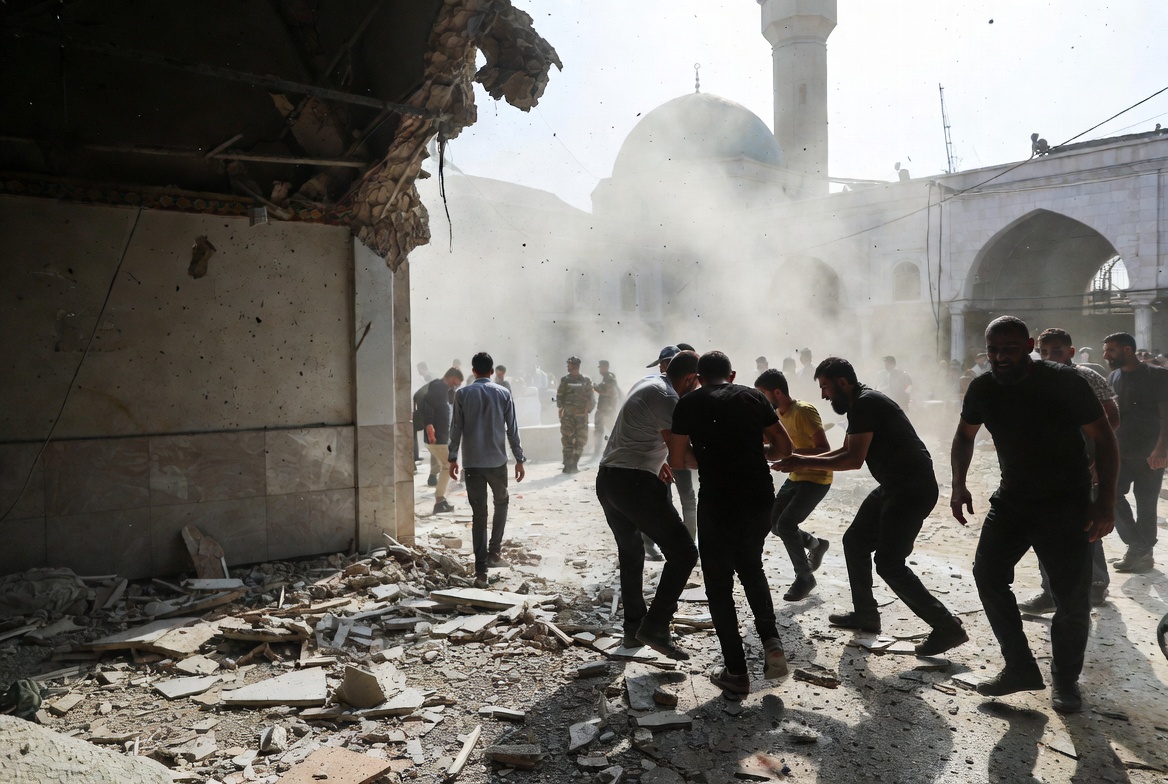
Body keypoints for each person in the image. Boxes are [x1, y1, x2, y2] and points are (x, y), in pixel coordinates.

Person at [952, 316, 1117, 714]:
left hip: (1066, 503)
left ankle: (1066, 681)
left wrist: (1106, 502)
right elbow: (964, 435)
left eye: (1009, 349)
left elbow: (1105, 438)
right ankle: (1020, 667)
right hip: (1012, 500)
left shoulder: (1065, 381)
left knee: (1071, 599)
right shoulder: (983, 387)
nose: (1000, 357)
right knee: (988, 575)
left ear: (1028, 346)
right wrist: (958, 484)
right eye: (993, 350)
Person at [776, 357, 967, 658]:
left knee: (890, 563)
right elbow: (847, 449)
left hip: (910, 489)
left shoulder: (866, 403)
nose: (824, 396)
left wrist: (802, 461)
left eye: (826, 387)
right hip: (894, 486)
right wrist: (802, 459)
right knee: (854, 541)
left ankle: (947, 627)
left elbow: (853, 460)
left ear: (843, 382)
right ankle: (866, 615)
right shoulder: (860, 404)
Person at [668, 351, 794, 696]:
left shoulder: (688, 403)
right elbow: (785, 448)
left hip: (718, 500)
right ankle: (771, 639)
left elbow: (677, 458)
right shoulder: (753, 397)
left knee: (719, 584)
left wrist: (712, 459)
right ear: (732, 374)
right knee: (752, 566)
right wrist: (754, 453)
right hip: (758, 496)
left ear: (699, 377)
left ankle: (737, 672)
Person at [596, 351, 701, 659]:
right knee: (684, 553)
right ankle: (655, 625)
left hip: (610, 479)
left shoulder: (650, 382)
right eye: (697, 383)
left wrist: (658, 460)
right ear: (690, 379)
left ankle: (633, 629)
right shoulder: (668, 399)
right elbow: (684, 457)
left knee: (631, 554)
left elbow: (640, 432)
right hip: (634, 484)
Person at [1018, 328, 1119, 611]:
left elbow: (1112, 417)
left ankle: (1095, 583)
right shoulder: (1034, 377)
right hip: (1047, 467)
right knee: (1044, 529)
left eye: (1057, 351)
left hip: (1082, 464)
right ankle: (1051, 591)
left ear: (1071, 352)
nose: (1050, 357)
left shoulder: (1087, 377)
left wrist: (1095, 456)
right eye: (1044, 352)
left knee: (1086, 524)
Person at [448, 353, 526, 589]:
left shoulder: (462, 394)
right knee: (501, 503)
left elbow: (456, 428)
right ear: (492, 372)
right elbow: (512, 428)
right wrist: (519, 458)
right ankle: (494, 551)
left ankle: (481, 571)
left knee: (479, 514)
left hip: (473, 463)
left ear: (473, 371)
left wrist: (453, 457)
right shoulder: (503, 393)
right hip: (497, 462)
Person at [755, 369, 832, 601]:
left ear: (777, 392)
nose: (761, 399)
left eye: (763, 394)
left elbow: (824, 449)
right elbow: (767, 442)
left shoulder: (803, 411)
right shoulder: (775, 415)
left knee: (786, 524)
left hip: (817, 478)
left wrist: (792, 456)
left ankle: (805, 577)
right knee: (774, 524)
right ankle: (816, 545)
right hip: (795, 476)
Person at [1103, 331, 1168, 573]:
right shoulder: (1113, 376)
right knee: (1110, 496)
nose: (1106, 355)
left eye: (1111, 350)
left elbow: (1166, 415)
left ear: (1127, 350)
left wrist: (1162, 448)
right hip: (1121, 450)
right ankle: (1138, 545)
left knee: (1146, 505)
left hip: (1150, 453)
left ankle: (1141, 554)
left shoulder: (1157, 375)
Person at [646, 346, 697, 542]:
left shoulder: (679, 389)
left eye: (665, 364)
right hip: (665, 452)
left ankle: (687, 543)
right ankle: (671, 542)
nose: (662, 368)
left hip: (676, 451)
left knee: (685, 497)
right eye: (661, 365)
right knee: (665, 498)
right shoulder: (664, 388)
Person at [420, 367, 463, 513]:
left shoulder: (442, 388)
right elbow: (426, 403)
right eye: (457, 382)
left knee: (446, 466)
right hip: (437, 437)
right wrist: (429, 425)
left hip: (440, 437)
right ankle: (439, 501)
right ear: (452, 377)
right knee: (448, 466)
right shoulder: (439, 387)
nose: (456, 385)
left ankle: (441, 500)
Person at [556, 357, 594, 473]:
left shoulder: (586, 380)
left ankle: (574, 464)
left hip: (581, 417)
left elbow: (591, 398)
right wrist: (561, 408)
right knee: (567, 440)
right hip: (568, 416)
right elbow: (559, 397)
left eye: (570, 365)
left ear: (576, 366)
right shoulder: (565, 380)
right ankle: (567, 465)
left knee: (581, 441)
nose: (568, 367)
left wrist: (587, 411)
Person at [593, 360, 621, 456]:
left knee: (612, 430)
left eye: (601, 367)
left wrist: (594, 386)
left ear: (606, 367)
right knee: (598, 430)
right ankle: (597, 452)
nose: (600, 369)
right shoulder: (606, 377)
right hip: (603, 409)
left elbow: (604, 390)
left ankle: (618, 449)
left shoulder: (609, 377)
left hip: (607, 409)